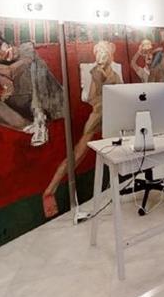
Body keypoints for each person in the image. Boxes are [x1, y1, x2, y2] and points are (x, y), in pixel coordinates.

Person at [39, 39, 121, 217]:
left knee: (117, 152)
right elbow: (91, 98)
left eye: (104, 52)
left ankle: (114, 188)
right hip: (98, 116)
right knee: (77, 155)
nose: (100, 55)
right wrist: (99, 81)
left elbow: (122, 93)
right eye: (98, 52)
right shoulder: (95, 72)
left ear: (110, 55)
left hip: (112, 117)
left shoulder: (114, 74)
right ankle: (49, 191)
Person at [0, 26, 67, 149]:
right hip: (24, 106)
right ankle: (33, 125)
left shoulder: (26, 48)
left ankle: (39, 116)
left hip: (52, 102)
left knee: (35, 65)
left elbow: (11, 70)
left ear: (2, 38)